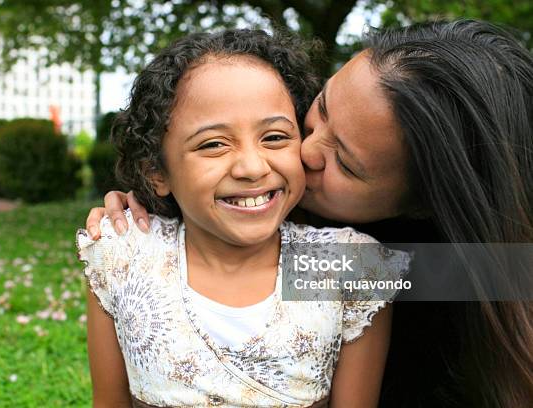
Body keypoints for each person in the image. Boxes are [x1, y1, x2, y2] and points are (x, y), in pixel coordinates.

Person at [87, 20, 533, 407]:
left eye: (346, 163)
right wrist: (150, 205)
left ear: (422, 205)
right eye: (318, 112)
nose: (305, 149)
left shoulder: (403, 273)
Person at [78, 29, 408, 408]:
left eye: (275, 137)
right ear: (157, 172)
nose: (252, 167)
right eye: (213, 144)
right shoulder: (124, 255)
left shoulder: (345, 267)